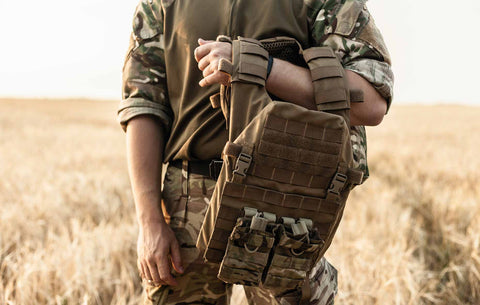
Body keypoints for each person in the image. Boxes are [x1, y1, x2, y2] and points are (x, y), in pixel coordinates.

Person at [118, 0, 393, 304]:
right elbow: (144, 106)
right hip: (186, 202)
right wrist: (149, 222)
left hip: (287, 199)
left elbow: (370, 101)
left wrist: (259, 66)